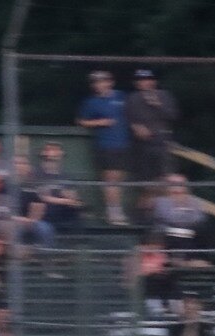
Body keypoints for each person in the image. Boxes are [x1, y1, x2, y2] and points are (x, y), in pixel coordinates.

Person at [75, 70, 130, 225]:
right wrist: (100, 122)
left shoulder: (121, 97)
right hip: (105, 144)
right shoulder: (91, 102)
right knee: (111, 179)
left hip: (123, 144)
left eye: (102, 81)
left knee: (119, 180)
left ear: (110, 82)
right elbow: (81, 121)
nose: (99, 85)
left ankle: (117, 210)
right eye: (96, 82)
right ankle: (114, 213)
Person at [123, 68, 180, 196]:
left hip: (163, 142)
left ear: (154, 81)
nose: (145, 82)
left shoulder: (164, 95)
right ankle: (147, 213)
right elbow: (127, 119)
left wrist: (157, 104)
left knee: (166, 177)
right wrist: (136, 127)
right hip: (142, 145)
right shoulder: (132, 98)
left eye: (148, 79)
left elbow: (173, 116)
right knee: (146, 182)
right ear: (136, 83)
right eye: (141, 80)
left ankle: (164, 209)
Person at [148, 173, 205, 255]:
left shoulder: (195, 201)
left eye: (180, 184)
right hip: (167, 232)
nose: (177, 187)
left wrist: (178, 214)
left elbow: (199, 218)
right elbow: (167, 217)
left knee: (201, 232)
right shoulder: (161, 201)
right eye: (173, 184)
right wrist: (186, 216)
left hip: (191, 232)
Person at [32, 143, 84, 231]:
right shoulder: (36, 174)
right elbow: (41, 197)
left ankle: (78, 242)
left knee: (77, 211)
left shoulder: (66, 176)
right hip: (44, 213)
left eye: (56, 150)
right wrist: (65, 200)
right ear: (43, 153)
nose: (52, 152)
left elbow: (74, 198)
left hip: (62, 213)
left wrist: (72, 199)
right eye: (49, 149)